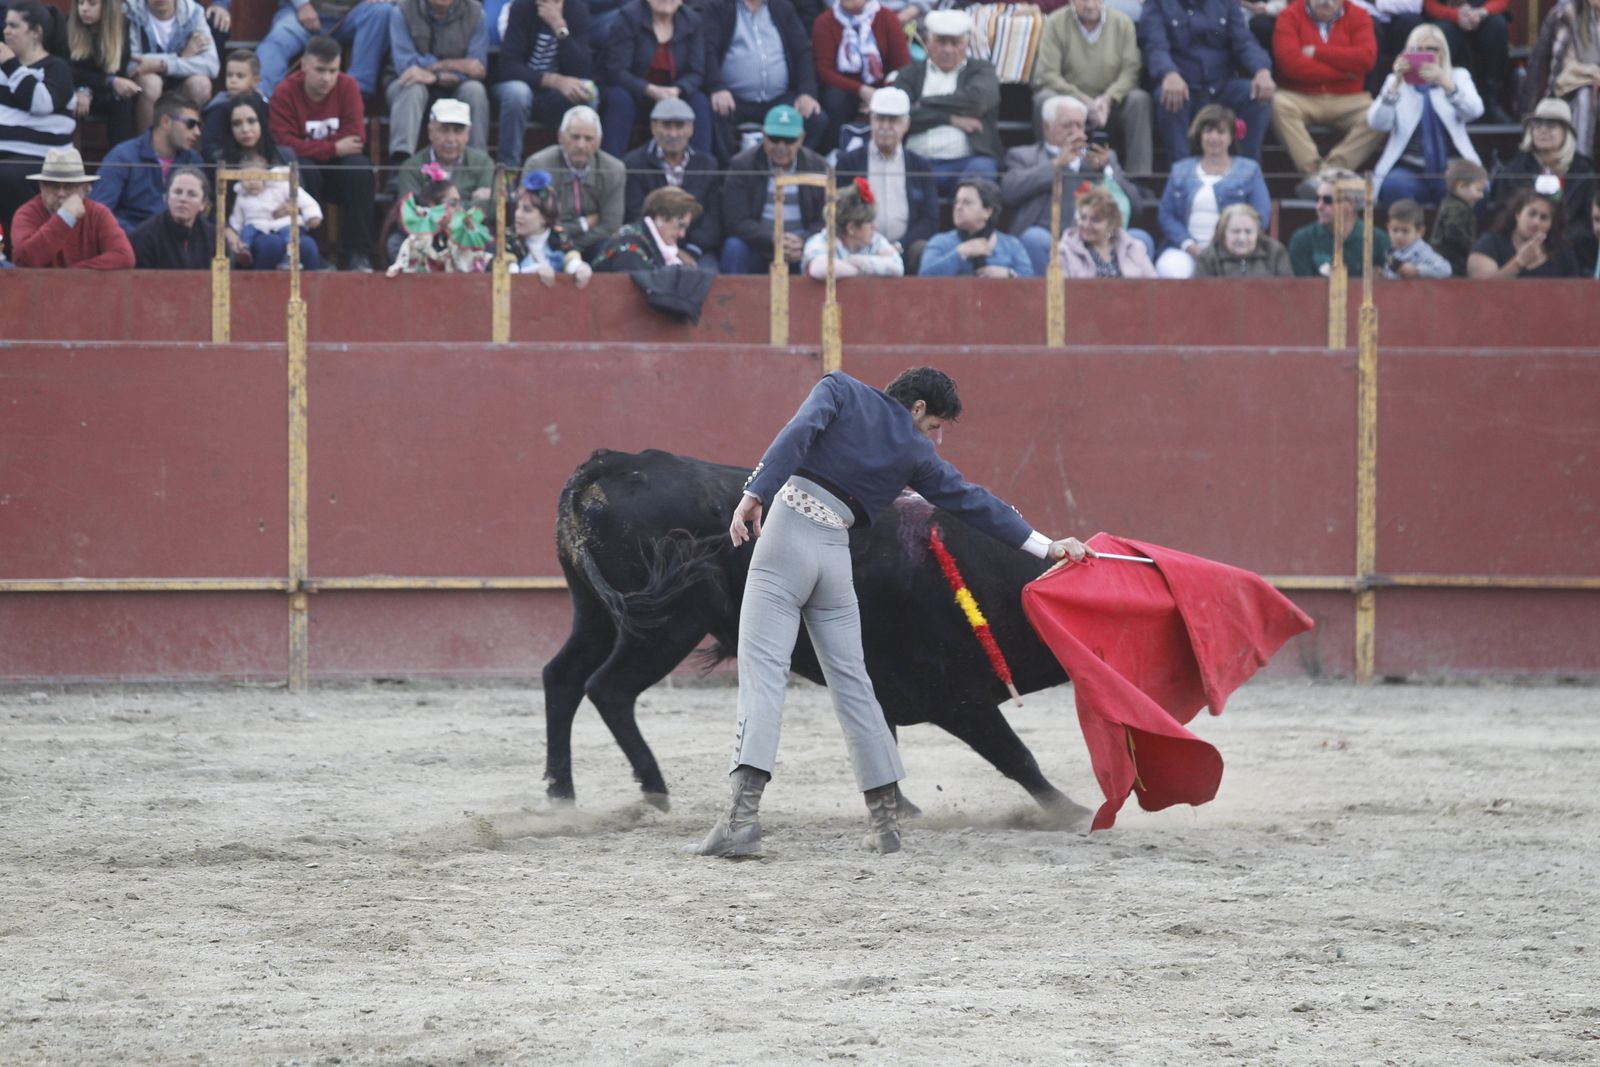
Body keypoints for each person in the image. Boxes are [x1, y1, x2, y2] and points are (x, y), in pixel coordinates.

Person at [691, 366, 1095, 858]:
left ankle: (739, 822)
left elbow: (797, 433)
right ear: (917, 407)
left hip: (787, 539)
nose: (935, 438)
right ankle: (885, 824)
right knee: (857, 686)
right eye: (934, 425)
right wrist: (1046, 546)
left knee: (763, 675)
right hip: (835, 557)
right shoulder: (916, 453)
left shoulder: (839, 390)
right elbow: (975, 503)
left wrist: (755, 493)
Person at [1004, 95, 1146, 277]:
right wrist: (1056, 165)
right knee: (1033, 238)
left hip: (1098, 238)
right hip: (1050, 237)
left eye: (1079, 125)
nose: (1075, 132)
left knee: (1141, 239)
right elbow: (1009, 192)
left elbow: (1136, 206)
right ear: (1046, 127)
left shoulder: (1104, 158)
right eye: (1067, 125)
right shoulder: (1024, 156)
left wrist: (1106, 170)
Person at [268, 35, 376, 270]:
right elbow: (285, 145)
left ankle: (358, 254)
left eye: (333, 71)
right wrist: (333, 148)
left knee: (360, 169)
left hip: (339, 171)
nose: (327, 78)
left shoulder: (348, 86)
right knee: (302, 170)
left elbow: (356, 137)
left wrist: (310, 147)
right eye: (320, 70)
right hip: (309, 170)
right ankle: (312, 253)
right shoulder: (285, 92)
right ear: (304, 65)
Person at [1138, 0, 1276, 163]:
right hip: (1184, 85)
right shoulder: (1158, 3)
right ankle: (1182, 172)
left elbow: (1244, 42)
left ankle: (1245, 169)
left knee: (1256, 95)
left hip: (1221, 84)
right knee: (1168, 97)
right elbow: (1155, 46)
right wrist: (1168, 73)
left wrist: (1261, 70)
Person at [1270, 0, 1384, 187]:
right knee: (1277, 104)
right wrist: (1346, 73)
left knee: (1381, 115)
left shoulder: (1360, 15)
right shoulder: (1289, 15)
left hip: (1349, 99)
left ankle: (1330, 171)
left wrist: (1317, 52)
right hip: (1300, 96)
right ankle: (1313, 170)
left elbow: (1366, 58)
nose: (1326, 1)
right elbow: (1290, 64)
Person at [1033, 0, 1154, 176]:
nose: (1090, 5)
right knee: (1043, 100)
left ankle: (1139, 177)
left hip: (1110, 105)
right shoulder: (1055, 22)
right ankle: (1049, 170)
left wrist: (1109, 98)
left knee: (1139, 100)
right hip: (1069, 102)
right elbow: (1047, 73)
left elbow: (1131, 70)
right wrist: (1082, 101)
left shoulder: (1123, 23)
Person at [1366, 23, 1483, 206]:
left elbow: (1475, 111)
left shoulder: (1458, 77)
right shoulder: (1395, 82)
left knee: (1473, 188)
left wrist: (1445, 84)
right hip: (1409, 167)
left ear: (1442, 53)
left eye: (1431, 49)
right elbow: (1378, 123)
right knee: (1394, 186)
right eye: (1416, 50)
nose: (1424, 54)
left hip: (1453, 167)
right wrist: (1395, 84)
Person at [1154, 103, 1272, 277]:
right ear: (1199, 135)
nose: (1214, 137)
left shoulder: (1250, 170)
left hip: (1233, 250)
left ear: (1231, 137)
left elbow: (1262, 214)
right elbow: (1166, 214)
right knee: (1170, 269)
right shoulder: (1180, 170)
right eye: (1208, 131)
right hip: (1186, 250)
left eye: (1221, 132)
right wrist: (1189, 245)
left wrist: (1229, 245)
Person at [703, 0, 827, 160]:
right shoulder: (718, 7)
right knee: (714, 113)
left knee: (815, 119)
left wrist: (807, 93)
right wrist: (717, 87)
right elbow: (708, 50)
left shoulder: (782, 7)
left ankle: (794, 170)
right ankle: (732, 171)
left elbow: (802, 51)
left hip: (779, 98)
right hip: (734, 99)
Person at [896, 9, 1002, 197]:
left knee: (981, 172)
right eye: (941, 42)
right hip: (916, 162)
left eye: (955, 43)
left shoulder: (981, 70)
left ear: (966, 44)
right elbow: (901, 114)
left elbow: (978, 101)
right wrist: (951, 119)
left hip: (966, 161)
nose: (948, 50)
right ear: (928, 42)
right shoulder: (909, 74)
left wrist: (924, 103)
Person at [834, 87, 936, 274]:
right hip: (858, 249)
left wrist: (897, 247)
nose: (885, 126)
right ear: (871, 120)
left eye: (893, 120)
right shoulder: (849, 162)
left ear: (906, 124)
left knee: (923, 250)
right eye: (880, 119)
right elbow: (840, 211)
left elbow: (930, 219)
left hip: (904, 250)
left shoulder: (920, 165)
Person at [0, 0, 76, 249]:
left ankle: (21, 249)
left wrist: (12, 66)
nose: (6, 31)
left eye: (14, 26)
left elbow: (40, 103)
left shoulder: (56, 68)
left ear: (36, 32)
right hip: (5, 157)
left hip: (44, 158)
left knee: (6, 176)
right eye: (5, 25)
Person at [718, 103, 828, 273]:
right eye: (774, 139)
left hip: (803, 250)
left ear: (801, 138)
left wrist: (803, 240)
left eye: (789, 140)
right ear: (763, 135)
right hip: (759, 246)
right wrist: (773, 239)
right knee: (734, 248)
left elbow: (827, 218)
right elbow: (736, 220)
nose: (781, 147)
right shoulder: (742, 165)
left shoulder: (819, 166)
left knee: (826, 254)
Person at [599, 0, 712, 160]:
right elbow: (617, 71)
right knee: (618, 99)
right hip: (636, 95)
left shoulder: (692, 21)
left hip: (675, 96)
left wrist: (678, 90)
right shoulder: (628, 17)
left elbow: (696, 72)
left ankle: (700, 168)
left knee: (699, 101)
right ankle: (612, 168)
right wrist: (649, 89)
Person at [622, 96, 721, 267]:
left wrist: (692, 250)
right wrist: (670, 250)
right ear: (654, 127)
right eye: (667, 126)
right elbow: (636, 214)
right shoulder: (634, 163)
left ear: (691, 128)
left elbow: (712, 218)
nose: (673, 134)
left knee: (708, 275)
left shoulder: (707, 164)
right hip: (649, 248)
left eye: (680, 126)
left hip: (696, 250)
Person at [385, 0, 489, 162]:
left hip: (455, 86)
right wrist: (457, 66)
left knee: (474, 90)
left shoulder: (476, 13)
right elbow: (405, 64)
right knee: (411, 87)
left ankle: (477, 164)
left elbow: (476, 68)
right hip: (408, 84)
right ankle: (400, 164)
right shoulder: (402, 10)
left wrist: (436, 74)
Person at [494, 0, 593, 168]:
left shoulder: (577, 9)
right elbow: (508, 67)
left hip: (553, 97)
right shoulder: (522, 7)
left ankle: (580, 168)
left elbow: (582, 69)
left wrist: (559, 27)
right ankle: (508, 170)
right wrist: (553, 80)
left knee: (587, 91)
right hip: (518, 89)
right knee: (518, 93)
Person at [90, 92, 204, 236]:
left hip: (179, 241)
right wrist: (140, 236)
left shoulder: (193, 160)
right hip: (131, 240)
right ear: (166, 122)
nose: (197, 132)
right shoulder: (122, 156)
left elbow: (204, 211)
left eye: (199, 125)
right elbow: (99, 211)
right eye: (190, 124)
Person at [519, 104, 625, 258]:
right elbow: (535, 221)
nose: (581, 145)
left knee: (611, 247)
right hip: (547, 244)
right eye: (575, 137)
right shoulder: (538, 165)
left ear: (599, 142)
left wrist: (572, 248)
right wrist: (583, 225)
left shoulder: (614, 169)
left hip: (594, 244)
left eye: (588, 138)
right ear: (561, 137)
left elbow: (610, 226)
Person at [1490, 97, 1597, 243]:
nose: (1542, 129)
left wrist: (1558, 238)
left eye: (1551, 125)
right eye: (1537, 124)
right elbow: (1503, 215)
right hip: (1522, 245)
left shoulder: (1584, 171)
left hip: (1570, 246)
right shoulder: (1514, 170)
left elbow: (1589, 220)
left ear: (1566, 132)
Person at [9, 146, 134, 268]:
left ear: (84, 189)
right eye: (53, 186)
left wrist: (73, 274)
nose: (61, 193)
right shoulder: (27, 214)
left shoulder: (98, 213)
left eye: (69, 186)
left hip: (84, 282)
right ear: (42, 187)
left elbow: (124, 257)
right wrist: (65, 217)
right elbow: (27, 259)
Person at [810, 0, 910, 151]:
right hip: (845, 90)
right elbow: (824, 71)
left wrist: (881, 96)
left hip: (882, 88)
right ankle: (834, 153)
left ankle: (898, 152)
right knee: (834, 100)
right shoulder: (825, 22)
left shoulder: (887, 17)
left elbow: (902, 67)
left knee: (900, 98)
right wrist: (861, 90)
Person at [254, 0, 391, 99]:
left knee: (381, 10)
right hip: (303, 13)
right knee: (276, 43)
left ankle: (355, 93)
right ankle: (260, 98)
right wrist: (302, 5)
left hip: (351, 15)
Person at [1523, 0, 1600, 159]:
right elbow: (1565, 66)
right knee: (1584, 98)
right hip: (1572, 87)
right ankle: (1580, 162)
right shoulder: (1568, 14)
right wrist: (1594, 73)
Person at [123, 0, 218, 128]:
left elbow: (211, 65)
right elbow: (131, 64)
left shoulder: (193, 12)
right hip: (143, 85)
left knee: (201, 84)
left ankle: (192, 140)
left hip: (181, 83)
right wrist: (182, 57)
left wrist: (163, 65)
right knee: (152, 84)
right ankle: (147, 141)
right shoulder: (130, 11)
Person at [226, 145, 323, 269]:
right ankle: (245, 252)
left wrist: (312, 216)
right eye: (247, 179)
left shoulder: (281, 186)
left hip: (285, 224)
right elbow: (237, 219)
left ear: (266, 176)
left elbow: (305, 201)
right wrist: (234, 232)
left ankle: (291, 258)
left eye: (257, 178)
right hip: (258, 229)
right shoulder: (242, 196)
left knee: (307, 245)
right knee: (269, 243)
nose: (252, 183)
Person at [918, 177, 1033, 277]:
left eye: (967, 203)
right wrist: (961, 253)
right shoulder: (940, 242)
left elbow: (1030, 282)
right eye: (956, 202)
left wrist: (1009, 274)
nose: (958, 207)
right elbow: (924, 277)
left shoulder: (1012, 245)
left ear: (987, 211)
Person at [1289, 166, 1391, 274]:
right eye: (1317, 199)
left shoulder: (1378, 239)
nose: (1319, 206)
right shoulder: (1302, 240)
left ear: (1351, 204)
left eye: (1327, 200)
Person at [1467, 183, 1581, 277]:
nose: (1536, 222)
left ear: (1551, 224)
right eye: (1532, 214)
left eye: (1544, 217)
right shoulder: (1490, 243)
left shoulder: (1563, 253)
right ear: (1518, 214)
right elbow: (1482, 289)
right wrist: (1519, 263)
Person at [1423, 0, 1510, 123]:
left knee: (1497, 25)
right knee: (1443, 32)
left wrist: (1481, 13)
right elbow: (1429, 5)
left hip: (1482, 16)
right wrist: (1456, 15)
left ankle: (1492, 102)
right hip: (1447, 18)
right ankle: (1441, 101)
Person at [395, 97, 494, 204]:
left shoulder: (482, 163)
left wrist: (434, 205)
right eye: (444, 130)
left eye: (458, 131)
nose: (451, 139)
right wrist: (467, 204)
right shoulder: (411, 167)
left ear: (467, 134)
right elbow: (409, 208)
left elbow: (491, 205)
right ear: (430, 132)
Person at [67, 0, 137, 148]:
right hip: (75, 89)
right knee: (70, 102)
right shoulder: (67, 26)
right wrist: (82, 90)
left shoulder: (122, 27)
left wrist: (100, 84)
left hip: (104, 91)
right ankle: (69, 158)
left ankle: (120, 157)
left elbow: (118, 71)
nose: (84, 9)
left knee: (122, 101)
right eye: (80, 3)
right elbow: (68, 70)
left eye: (92, 4)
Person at [799, 176, 903, 277]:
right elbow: (820, 269)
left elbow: (897, 267)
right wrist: (864, 269)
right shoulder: (821, 241)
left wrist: (859, 261)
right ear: (851, 228)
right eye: (869, 222)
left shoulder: (876, 241)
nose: (875, 226)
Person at [508, 167, 591, 284]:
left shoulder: (558, 235)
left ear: (545, 217)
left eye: (527, 210)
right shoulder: (509, 238)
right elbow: (510, 272)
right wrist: (535, 271)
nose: (518, 215)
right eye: (517, 208)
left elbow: (570, 258)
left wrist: (580, 268)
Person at [591, 183, 703, 270]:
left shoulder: (651, 244)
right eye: (680, 225)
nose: (682, 234)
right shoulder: (629, 245)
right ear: (661, 216)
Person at [1058, 182, 1157, 276]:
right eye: (1083, 218)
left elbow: (1153, 284)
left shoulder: (1134, 249)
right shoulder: (1065, 251)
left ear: (1111, 223)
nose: (1086, 225)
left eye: (1095, 220)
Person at [129, 164, 214, 268]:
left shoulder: (215, 239)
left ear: (203, 204)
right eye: (178, 192)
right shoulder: (144, 236)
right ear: (167, 197)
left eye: (192, 194)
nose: (183, 199)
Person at [1193, 201, 1294, 274]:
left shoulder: (1275, 252)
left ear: (1257, 233)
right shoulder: (1208, 257)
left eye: (1248, 232)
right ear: (1223, 232)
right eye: (1235, 231)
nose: (1242, 238)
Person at [1430, 156, 1486, 274]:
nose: (1481, 196)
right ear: (1461, 186)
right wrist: (1473, 247)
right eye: (1478, 190)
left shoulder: (1455, 205)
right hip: (1449, 259)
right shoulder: (1456, 208)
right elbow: (1454, 232)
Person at [201, 49, 260, 160]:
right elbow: (210, 149)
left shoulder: (263, 106)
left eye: (240, 76)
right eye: (229, 75)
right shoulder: (216, 109)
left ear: (255, 81)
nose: (233, 80)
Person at [1381, 196, 1450, 276]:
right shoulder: (1391, 250)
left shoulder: (1421, 251)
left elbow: (1445, 269)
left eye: (1405, 231)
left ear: (1420, 232)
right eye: (1395, 230)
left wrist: (1417, 270)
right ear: (1388, 228)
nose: (1399, 236)